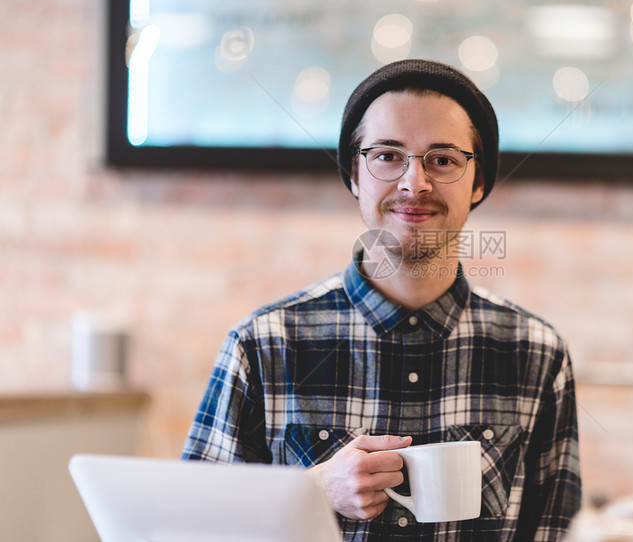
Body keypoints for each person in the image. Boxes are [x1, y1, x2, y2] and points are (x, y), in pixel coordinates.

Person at [182, 59, 581, 541]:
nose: (415, 183)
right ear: (355, 176)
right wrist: (311, 491)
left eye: (443, 159)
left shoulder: (536, 354)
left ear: (478, 183)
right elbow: (189, 526)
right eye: (388, 156)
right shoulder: (262, 345)